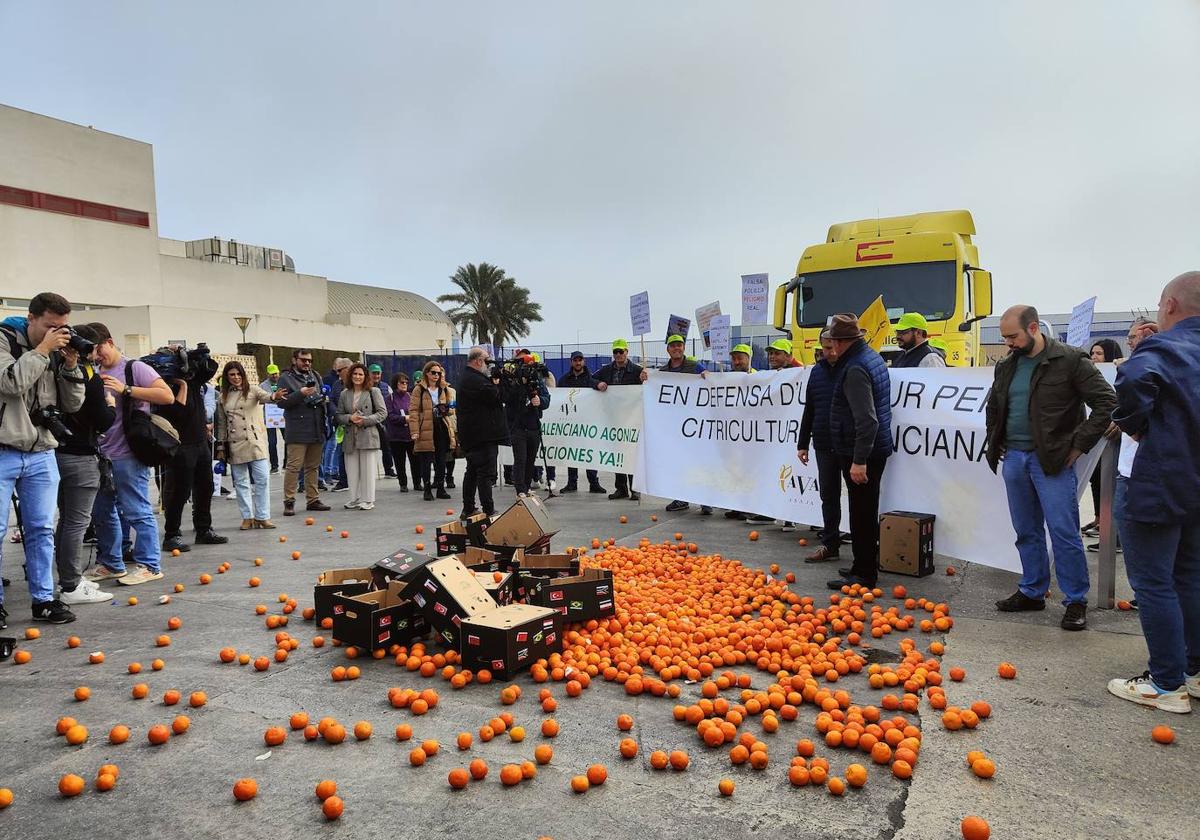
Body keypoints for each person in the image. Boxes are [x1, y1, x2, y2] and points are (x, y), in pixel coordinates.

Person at [984, 305, 1116, 631]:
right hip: (1015, 458)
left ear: (1032, 329)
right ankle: (1032, 590)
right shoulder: (1007, 365)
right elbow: (995, 405)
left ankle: (1075, 601)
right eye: (1004, 338)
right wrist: (995, 439)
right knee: (1026, 530)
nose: (1008, 344)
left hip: (1053, 461)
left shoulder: (1070, 360)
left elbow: (1107, 403)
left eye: (1012, 336)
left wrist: (1078, 445)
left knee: (1064, 533)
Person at [1106, 272, 1200, 713]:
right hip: (1195, 482)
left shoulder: (1165, 347)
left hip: (1161, 481)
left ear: (1169, 306)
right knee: (1189, 576)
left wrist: (1136, 423)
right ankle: (1194, 671)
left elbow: (1131, 379)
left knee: (1154, 582)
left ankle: (1165, 683)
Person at [0, 293, 86, 627]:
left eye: (63, 327)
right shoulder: (5, 340)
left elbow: (72, 404)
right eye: (51, 326)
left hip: (41, 452)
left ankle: (45, 599)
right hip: (4, 448)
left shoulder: (53, 351)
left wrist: (70, 366)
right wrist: (42, 351)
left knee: (41, 529)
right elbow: (10, 384)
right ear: (31, 318)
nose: (59, 333)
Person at [85, 322, 174, 588]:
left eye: (99, 348)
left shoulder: (133, 368)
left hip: (128, 451)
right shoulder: (93, 371)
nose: (97, 355)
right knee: (103, 511)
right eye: (93, 351)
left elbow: (166, 395)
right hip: (101, 453)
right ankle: (112, 563)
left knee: (136, 509)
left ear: (110, 342)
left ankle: (149, 565)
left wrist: (126, 390)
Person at [822, 314, 894, 591]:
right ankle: (862, 563)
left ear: (840, 342)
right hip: (870, 448)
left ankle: (864, 573)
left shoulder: (854, 369)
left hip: (862, 452)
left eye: (833, 341)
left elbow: (867, 419)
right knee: (864, 510)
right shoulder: (870, 358)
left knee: (862, 513)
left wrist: (859, 460)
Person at [55, 323, 116, 606]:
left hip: (55, 453)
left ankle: (67, 579)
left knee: (64, 521)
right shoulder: (87, 375)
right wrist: (111, 403)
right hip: (80, 455)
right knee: (76, 523)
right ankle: (71, 584)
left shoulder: (56, 367)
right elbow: (103, 419)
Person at [158, 349, 227, 553]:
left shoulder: (194, 379)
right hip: (180, 444)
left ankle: (204, 529)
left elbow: (211, 368)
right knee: (179, 492)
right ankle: (172, 534)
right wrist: (181, 383)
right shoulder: (167, 385)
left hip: (199, 442)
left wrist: (196, 354)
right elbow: (179, 411)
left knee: (205, 488)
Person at [798, 329, 845, 564]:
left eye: (833, 347)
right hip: (824, 444)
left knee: (858, 498)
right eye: (826, 348)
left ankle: (867, 547)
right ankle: (830, 543)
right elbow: (810, 409)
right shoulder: (816, 373)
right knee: (828, 495)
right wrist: (803, 443)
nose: (831, 352)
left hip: (849, 445)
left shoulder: (852, 368)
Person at [215, 360, 278, 529]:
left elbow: (266, 397)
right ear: (227, 378)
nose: (236, 378)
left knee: (262, 479)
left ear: (243, 375)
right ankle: (247, 517)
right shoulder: (222, 397)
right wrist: (220, 447)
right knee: (241, 482)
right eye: (232, 375)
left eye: (238, 374)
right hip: (234, 443)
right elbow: (221, 424)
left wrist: (274, 396)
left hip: (254, 441)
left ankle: (263, 516)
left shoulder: (253, 390)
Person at [659, 335, 711, 514]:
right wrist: (646, 378)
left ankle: (706, 501)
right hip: (674, 426)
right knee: (679, 463)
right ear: (668, 349)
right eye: (673, 346)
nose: (676, 348)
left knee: (699, 462)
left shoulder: (694, 366)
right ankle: (681, 498)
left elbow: (709, 380)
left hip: (695, 423)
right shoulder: (662, 370)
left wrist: (706, 375)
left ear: (683, 348)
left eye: (679, 345)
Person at [277, 348, 332, 516]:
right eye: (303, 360)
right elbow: (281, 403)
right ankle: (289, 501)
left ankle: (313, 499)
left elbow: (321, 394)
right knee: (293, 467)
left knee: (313, 467)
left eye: (309, 360)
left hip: (316, 427)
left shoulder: (315, 375)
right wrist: (300, 393)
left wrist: (323, 399)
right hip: (298, 430)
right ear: (295, 360)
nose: (307, 363)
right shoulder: (285, 378)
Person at [1080, 339, 1125, 538]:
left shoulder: (1120, 373)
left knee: (1109, 483)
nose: (1094, 357)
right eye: (1092, 353)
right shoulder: (1086, 377)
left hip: (1112, 437)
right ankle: (1100, 519)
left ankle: (1111, 531)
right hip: (1094, 435)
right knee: (1095, 479)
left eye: (1098, 354)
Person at [457, 346, 508, 517]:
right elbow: (495, 397)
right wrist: (501, 382)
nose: (488, 365)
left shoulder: (470, 377)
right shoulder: (475, 380)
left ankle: (469, 507)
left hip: (475, 435)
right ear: (478, 361)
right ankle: (488, 509)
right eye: (487, 361)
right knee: (485, 474)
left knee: (472, 471)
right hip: (481, 435)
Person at [594, 339, 644, 500]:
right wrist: (598, 384)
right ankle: (621, 488)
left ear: (626, 352)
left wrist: (646, 379)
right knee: (618, 454)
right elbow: (590, 379)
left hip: (632, 418)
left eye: (620, 351)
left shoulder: (637, 370)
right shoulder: (606, 370)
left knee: (632, 454)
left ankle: (635, 488)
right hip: (613, 418)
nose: (618, 355)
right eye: (615, 352)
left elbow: (649, 387)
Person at [336, 362, 387, 511]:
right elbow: (338, 415)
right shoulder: (344, 394)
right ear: (350, 376)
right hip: (350, 436)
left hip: (368, 435)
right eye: (355, 374)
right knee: (351, 469)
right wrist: (350, 418)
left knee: (368, 469)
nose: (357, 377)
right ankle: (354, 498)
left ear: (365, 377)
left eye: (360, 374)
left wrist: (365, 420)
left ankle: (368, 499)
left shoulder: (374, 391)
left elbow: (382, 413)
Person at [502, 353, 551, 498]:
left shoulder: (537, 380)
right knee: (520, 459)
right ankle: (520, 489)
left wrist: (540, 401)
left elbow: (546, 398)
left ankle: (527, 485)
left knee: (531, 459)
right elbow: (509, 399)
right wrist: (520, 384)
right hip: (518, 426)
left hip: (534, 425)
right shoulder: (512, 381)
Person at [558, 351, 605, 494]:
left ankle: (594, 483)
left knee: (589, 452)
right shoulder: (564, 380)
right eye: (575, 360)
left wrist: (599, 385)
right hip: (571, 423)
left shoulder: (591, 378)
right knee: (572, 453)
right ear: (571, 362)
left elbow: (597, 386)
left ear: (583, 361)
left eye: (580, 360)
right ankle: (572, 483)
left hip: (588, 423)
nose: (578, 363)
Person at [409, 360, 457, 501]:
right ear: (427, 373)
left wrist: (446, 409)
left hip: (441, 426)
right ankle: (427, 488)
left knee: (441, 460)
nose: (436, 375)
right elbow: (413, 411)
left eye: (438, 373)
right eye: (433, 373)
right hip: (425, 427)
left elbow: (452, 408)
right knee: (426, 459)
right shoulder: (419, 389)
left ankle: (441, 488)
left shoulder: (444, 388)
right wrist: (414, 430)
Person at [385, 372, 418, 492]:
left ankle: (417, 483)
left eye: (406, 382)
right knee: (400, 462)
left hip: (410, 435)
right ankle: (403, 484)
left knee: (415, 461)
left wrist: (412, 418)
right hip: (396, 436)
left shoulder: (410, 397)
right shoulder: (390, 398)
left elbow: (416, 412)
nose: (404, 384)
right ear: (395, 384)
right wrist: (404, 418)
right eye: (401, 382)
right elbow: (389, 416)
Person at [322, 357, 350, 491]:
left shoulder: (357, 384)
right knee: (340, 451)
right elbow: (331, 400)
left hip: (356, 423)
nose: (337, 373)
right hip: (340, 424)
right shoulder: (336, 385)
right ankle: (343, 480)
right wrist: (337, 413)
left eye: (340, 370)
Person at [368, 364, 397, 478]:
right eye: (374, 373)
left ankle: (388, 469)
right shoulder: (365, 386)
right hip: (369, 420)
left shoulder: (386, 387)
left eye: (378, 373)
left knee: (387, 446)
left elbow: (391, 401)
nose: (376, 375)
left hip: (383, 420)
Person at [262, 363, 284, 473]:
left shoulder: (283, 382)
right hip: (270, 417)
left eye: (276, 373)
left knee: (288, 440)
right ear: (268, 374)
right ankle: (274, 465)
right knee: (272, 442)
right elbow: (261, 399)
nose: (275, 376)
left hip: (283, 416)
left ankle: (286, 462)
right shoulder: (263, 386)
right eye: (272, 374)